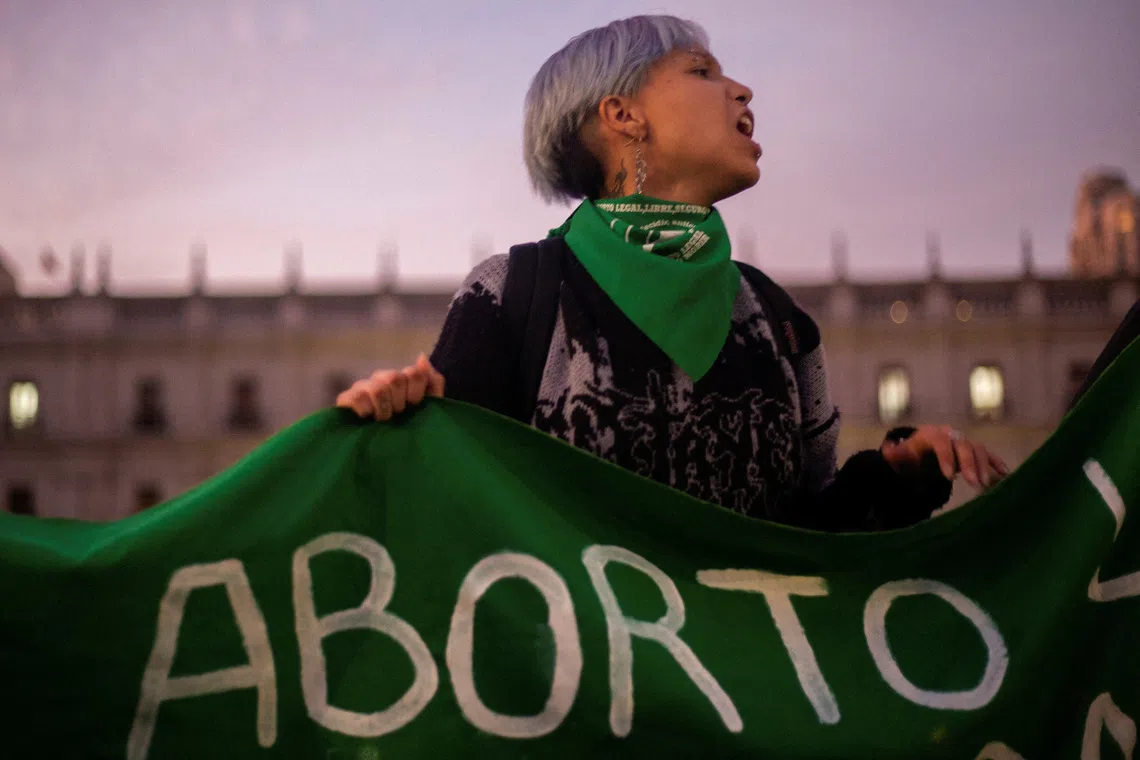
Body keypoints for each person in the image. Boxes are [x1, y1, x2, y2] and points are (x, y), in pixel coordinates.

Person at [338, 15, 1007, 531]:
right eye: (702, 73)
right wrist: (388, 422)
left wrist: (900, 475)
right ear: (622, 114)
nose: (741, 89)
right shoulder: (511, 294)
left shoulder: (776, 318)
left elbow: (812, 539)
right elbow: (447, 517)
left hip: (742, 701)